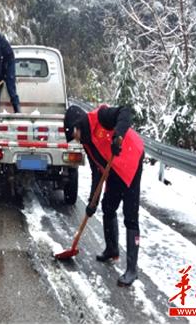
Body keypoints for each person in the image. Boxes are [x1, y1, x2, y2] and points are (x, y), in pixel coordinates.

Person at [64, 104, 144, 287]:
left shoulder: (100, 117)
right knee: (108, 206)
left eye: (73, 134)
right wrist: (93, 201)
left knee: (130, 216)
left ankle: (132, 269)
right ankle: (112, 249)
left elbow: (126, 111)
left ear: (78, 124)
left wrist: (118, 135)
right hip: (114, 168)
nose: (75, 139)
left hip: (131, 161)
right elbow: (97, 172)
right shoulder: (86, 143)